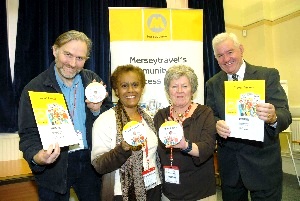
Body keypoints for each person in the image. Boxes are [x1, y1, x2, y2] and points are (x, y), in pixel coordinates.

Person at [18, 30, 113, 201]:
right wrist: (37, 157)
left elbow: (110, 120)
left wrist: (96, 110)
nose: (72, 63)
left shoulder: (93, 82)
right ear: (55, 50)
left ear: (86, 60)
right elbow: (28, 135)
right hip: (54, 166)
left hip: (90, 163)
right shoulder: (35, 88)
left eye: (80, 58)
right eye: (68, 54)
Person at [205, 32, 292, 201]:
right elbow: (211, 117)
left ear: (241, 50)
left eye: (230, 52)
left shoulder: (268, 75)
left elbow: (285, 114)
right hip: (231, 168)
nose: (226, 59)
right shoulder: (213, 83)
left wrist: (273, 117)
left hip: (264, 166)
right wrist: (216, 125)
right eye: (220, 55)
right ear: (216, 58)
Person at [91, 64, 162, 201]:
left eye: (135, 85)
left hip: (154, 187)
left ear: (142, 88)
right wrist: (122, 149)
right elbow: (98, 165)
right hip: (123, 194)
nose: (131, 90)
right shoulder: (105, 120)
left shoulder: (148, 117)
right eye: (124, 86)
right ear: (116, 90)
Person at [153, 65, 217, 201]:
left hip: (201, 193)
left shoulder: (205, 113)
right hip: (169, 193)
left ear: (192, 89)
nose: (179, 91)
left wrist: (184, 145)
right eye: (174, 86)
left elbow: (208, 148)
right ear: (167, 90)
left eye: (185, 86)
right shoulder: (160, 116)